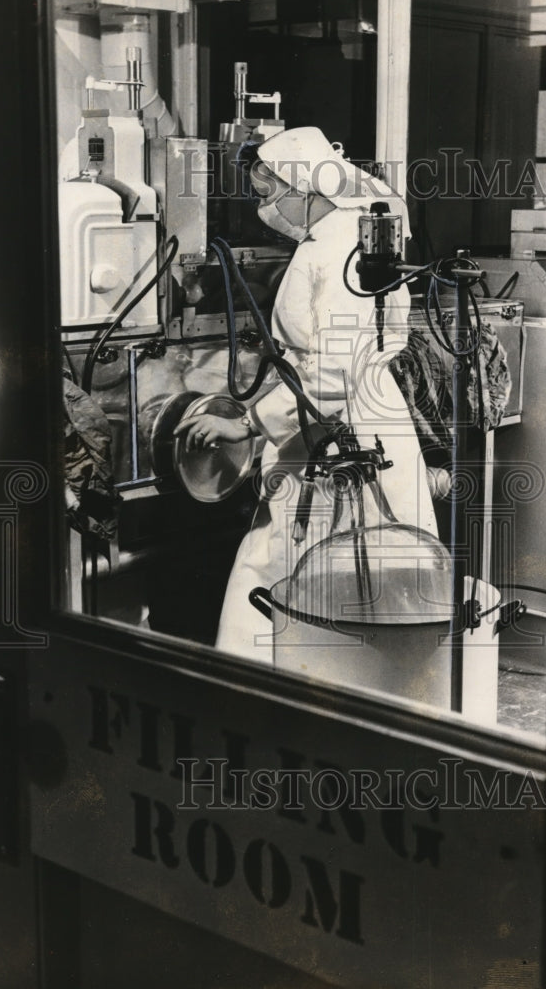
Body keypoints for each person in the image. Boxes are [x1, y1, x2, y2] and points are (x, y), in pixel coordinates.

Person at [175, 127, 438, 662]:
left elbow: (336, 371)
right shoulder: (336, 238)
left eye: (269, 192)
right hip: (336, 422)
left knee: (315, 570)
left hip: (345, 430)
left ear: (304, 186)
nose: (265, 207)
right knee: (307, 570)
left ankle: (279, 691)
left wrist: (247, 422)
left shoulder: (340, 247)